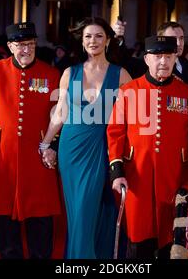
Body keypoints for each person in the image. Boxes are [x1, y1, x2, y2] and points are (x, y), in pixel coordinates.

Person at [40, 17, 132, 259]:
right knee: (79, 213)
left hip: (104, 149)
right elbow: (60, 112)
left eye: (99, 36)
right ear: (82, 42)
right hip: (72, 150)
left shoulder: (121, 75)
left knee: (101, 212)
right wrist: (46, 143)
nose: (93, 41)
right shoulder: (70, 73)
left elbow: (131, 118)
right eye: (88, 36)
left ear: (108, 40)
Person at [0, 22, 62, 259]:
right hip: (4, 156)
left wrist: (53, 146)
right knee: (5, 214)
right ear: (11, 46)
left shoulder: (51, 74)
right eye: (21, 45)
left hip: (38, 157)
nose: (27, 49)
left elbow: (59, 114)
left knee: (41, 214)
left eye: (31, 44)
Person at [107, 35, 188, 259]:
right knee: (139, 238)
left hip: (174, 176)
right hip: (137, 176)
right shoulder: (129, 91)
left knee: (171, 237)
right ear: (147, 58)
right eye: (157, 57)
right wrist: (117, 171)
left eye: (168, 56)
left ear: (175, 57)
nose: (163, 62)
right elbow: (115, 132)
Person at [157, 22, 188, 99]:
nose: (179, 43)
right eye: (173, 38)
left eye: (181, 38)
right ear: (161, 40)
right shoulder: (153, 68)